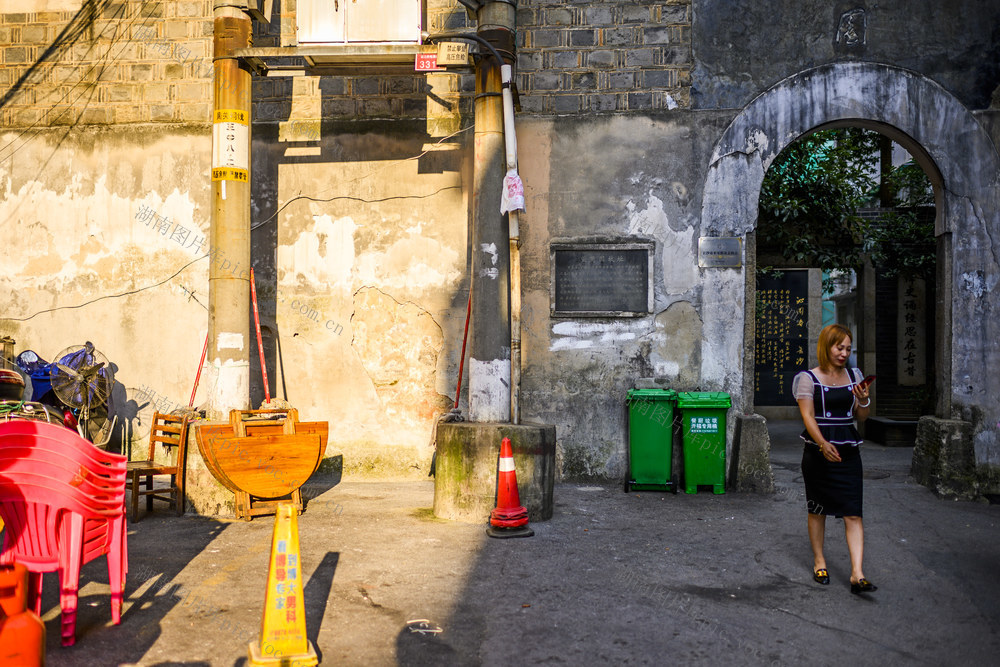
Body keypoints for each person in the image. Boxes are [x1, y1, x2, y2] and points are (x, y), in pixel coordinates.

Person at [792, 323, 876, 594]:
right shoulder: (808, 378)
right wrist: (822, 443)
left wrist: (863, 401)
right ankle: (819, 561)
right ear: (826, 346)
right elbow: (808, 416)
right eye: (839, 347)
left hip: (849, 451)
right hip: (818, 451)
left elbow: (860, 418)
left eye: (848, 349)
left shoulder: (854, 375)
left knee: (854, 512)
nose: (844, 353)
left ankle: (857, 574)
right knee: (818, 510)